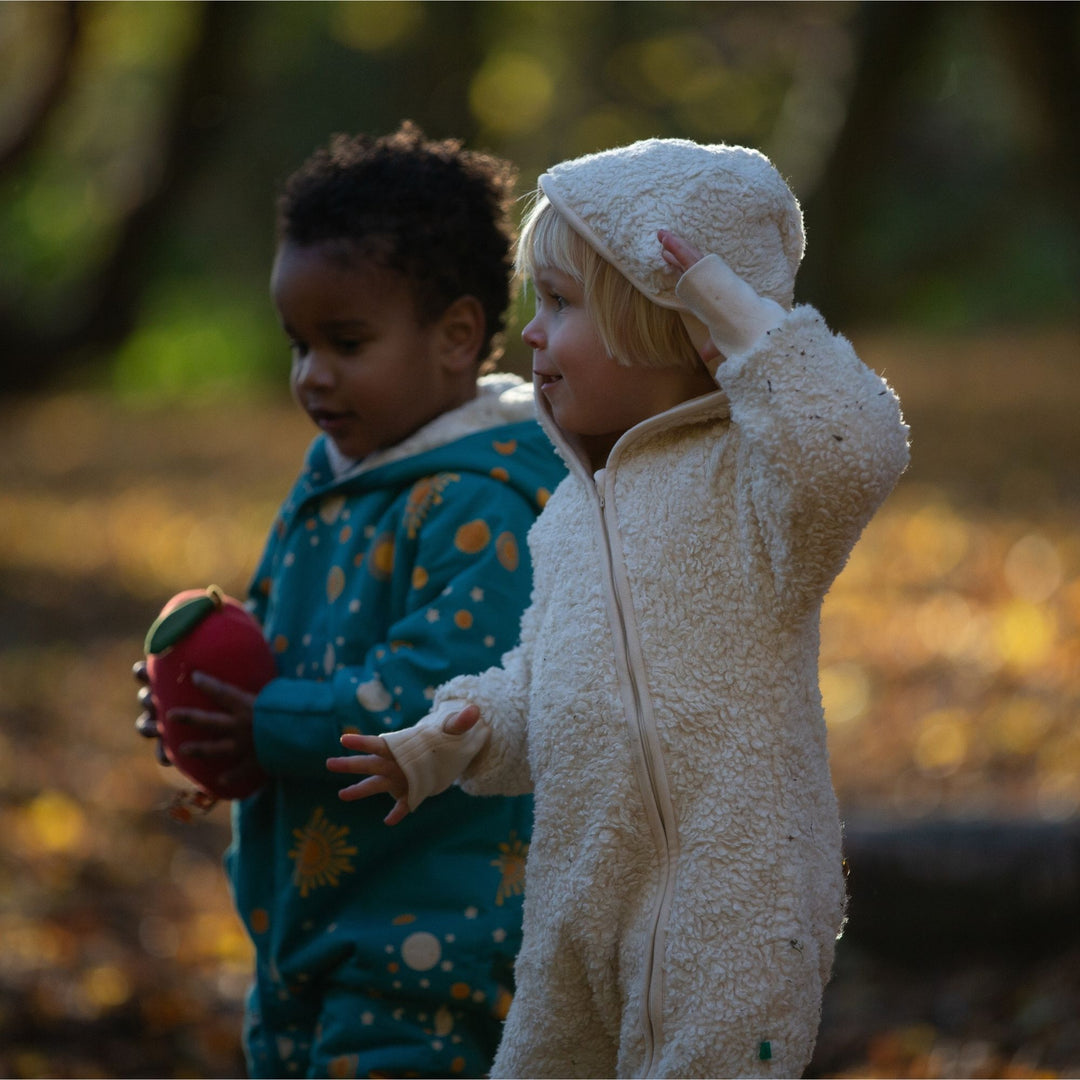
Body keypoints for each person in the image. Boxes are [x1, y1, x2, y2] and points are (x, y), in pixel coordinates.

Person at [326, 137, 910, 1079]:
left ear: (666, 314)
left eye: (560, 304)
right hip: (581, 899)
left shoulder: (758, 487)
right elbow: (549, 689)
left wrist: (744, 318)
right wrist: (459, 734)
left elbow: (856, 448)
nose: (531, 335)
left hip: (736, 909)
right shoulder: (566, 514)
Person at [135, 122, 566, 1079]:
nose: (311, 375)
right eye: (297, 344)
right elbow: (278, 645)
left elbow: (442, 698)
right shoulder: (336, 473)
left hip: (433, 934)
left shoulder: (481, 499)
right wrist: (206, 702)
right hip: (308, 912)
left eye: (346, 341)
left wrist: (270, 723)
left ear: (457, 335)